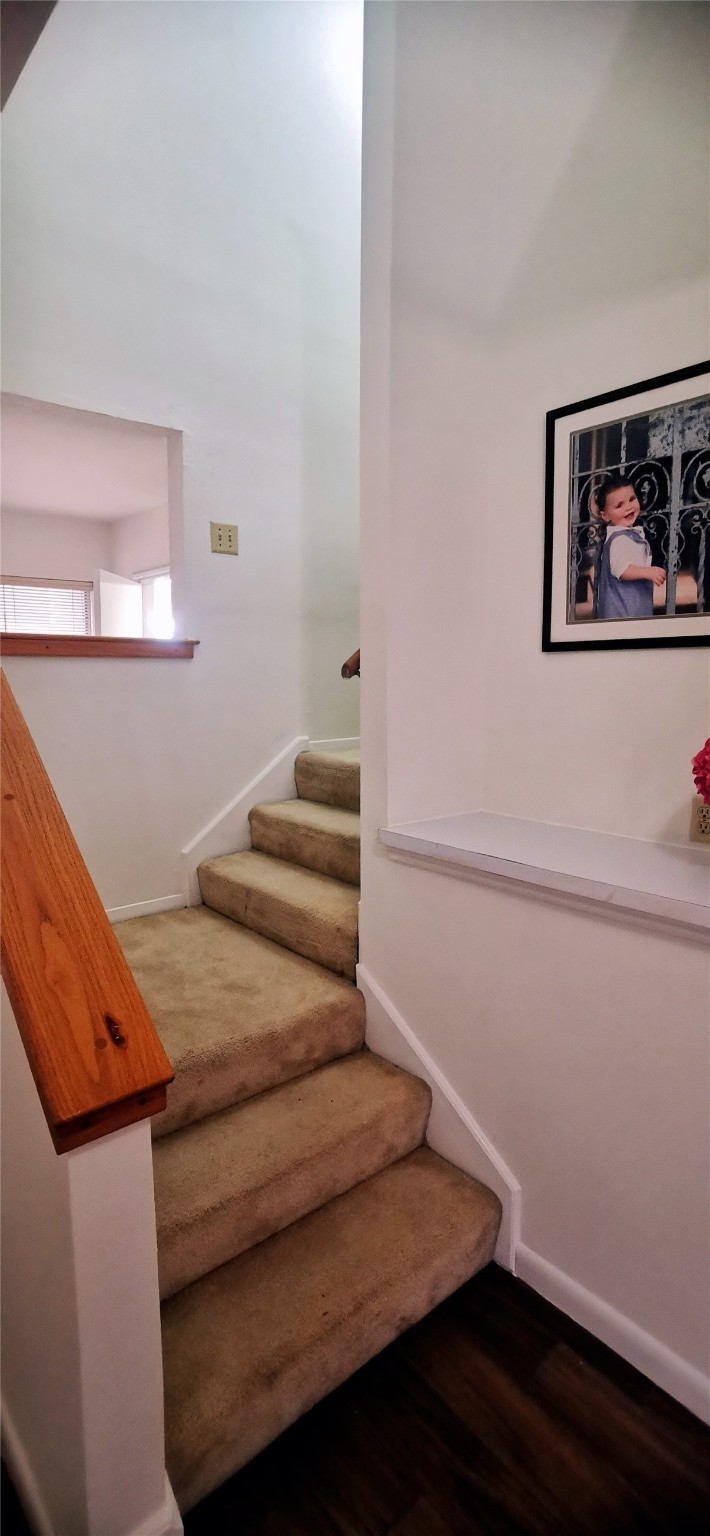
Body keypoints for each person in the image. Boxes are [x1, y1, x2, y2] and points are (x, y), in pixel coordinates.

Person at [593, 475, 665, 620]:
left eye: (632, 499)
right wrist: (648, 572)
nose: (628, 507)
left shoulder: (626, 535)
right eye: (619, 505)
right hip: (621, 610)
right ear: (605, 516)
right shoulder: (619, 539)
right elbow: (621, 569)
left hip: (631, 605)